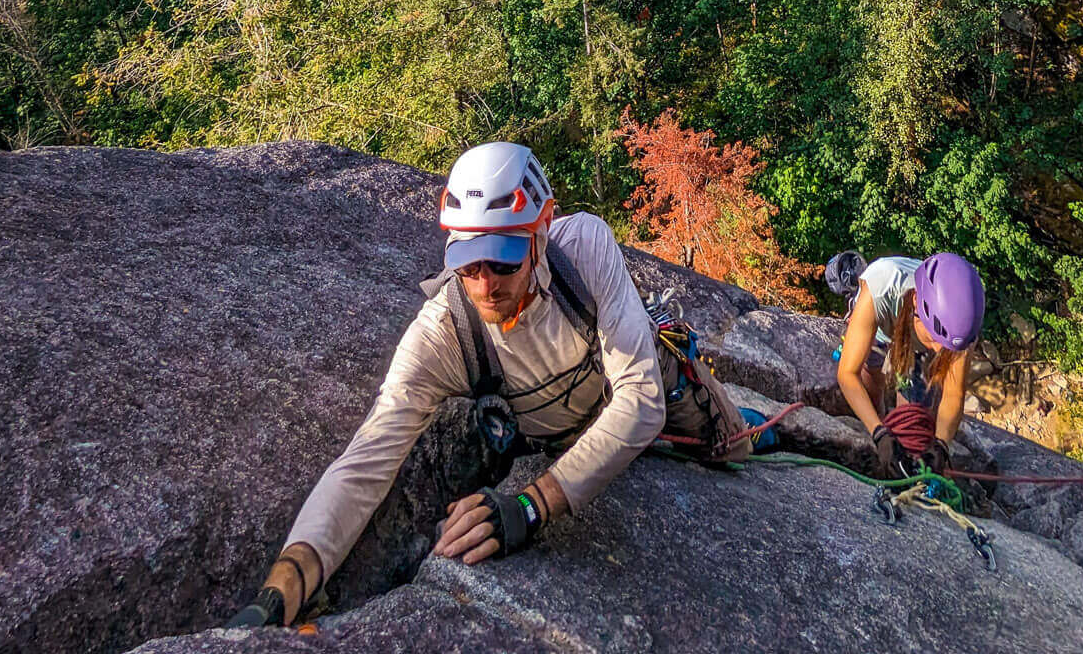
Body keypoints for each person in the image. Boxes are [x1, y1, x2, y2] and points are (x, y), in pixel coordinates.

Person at [229, 141, 750, 628]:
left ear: (542, 230)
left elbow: (640, 400)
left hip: (657, 386)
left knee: (739, 448)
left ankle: (762, 426)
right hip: (569, 432)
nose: (484, 284)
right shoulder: (444, 333)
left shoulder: (583, 250)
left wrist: (532, 505)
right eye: (467, 262)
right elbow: (368, 458)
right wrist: (286, 584)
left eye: (502, 259)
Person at [834, 250, 985, 480]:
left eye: (944, 344)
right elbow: (847, 374)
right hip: (885, 321)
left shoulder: (960, 327)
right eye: (935, 339)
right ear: (916, 300)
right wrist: (879, 433)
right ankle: (849, 280)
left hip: (913, 337)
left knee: (916, 416)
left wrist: (941, 445)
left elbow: (954, 394)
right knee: (872, 383)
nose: (939, 350)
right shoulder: (882, 286)